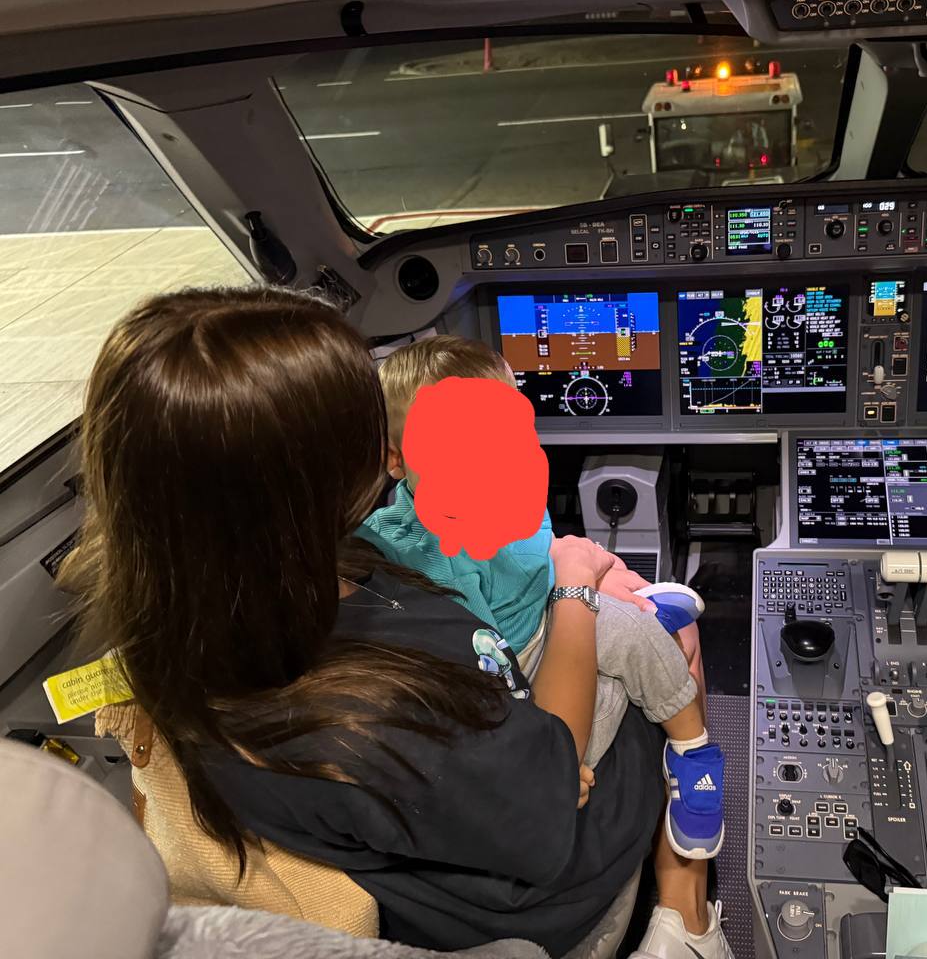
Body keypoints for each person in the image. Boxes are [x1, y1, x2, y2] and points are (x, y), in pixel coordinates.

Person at [62, 287, 731, 959]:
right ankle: (686, 907)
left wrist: (568, 578)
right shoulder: (370, 707)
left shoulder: (187, 608)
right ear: (354, 469)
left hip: (485, 791)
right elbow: (551, 790)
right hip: (540, 886)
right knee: (670, 637)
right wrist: (576, 591)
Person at [365, 335, 724, 861]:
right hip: (515, 660)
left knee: (640, 631)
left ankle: (692, 751)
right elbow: (487, 669)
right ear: (396, 460)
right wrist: (535, 766)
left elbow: (537, 551)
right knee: (637, 647)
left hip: (545, 605)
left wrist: (597, 573)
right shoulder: (422, 556)